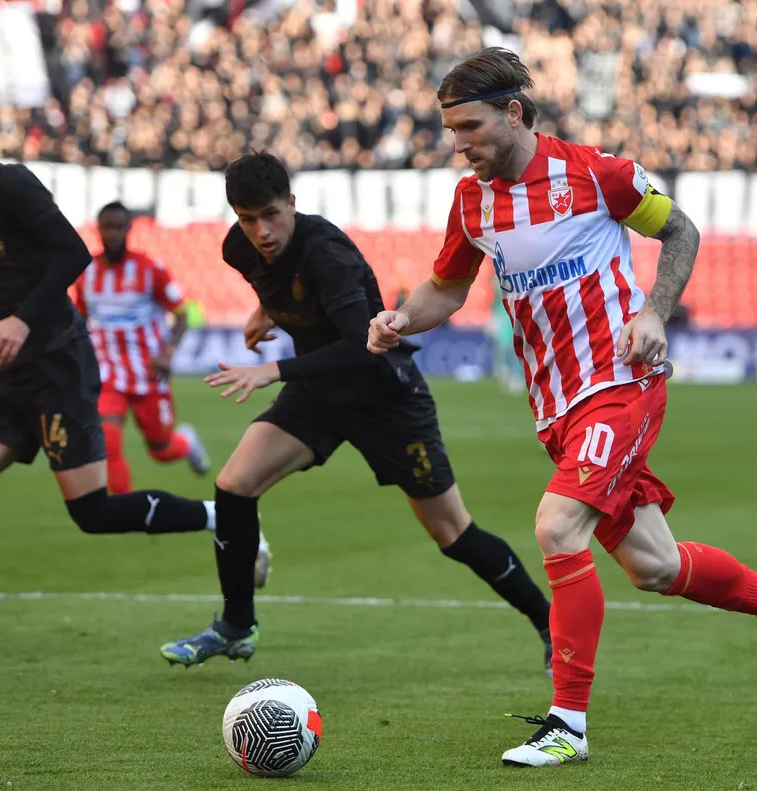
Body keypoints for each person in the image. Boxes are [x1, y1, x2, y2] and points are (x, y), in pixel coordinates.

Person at [368, 48, 757, 767]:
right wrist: (399, 318)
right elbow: (447, 291)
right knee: (656, 564)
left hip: (623, 383)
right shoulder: (473, 200)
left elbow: (682, 231)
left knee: (556, 526)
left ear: (514, 113)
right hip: (557, 409)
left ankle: (568, 724)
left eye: (470, 127)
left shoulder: (595, 172)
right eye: (452, 130)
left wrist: (656, 309)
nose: (459, 144)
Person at [0, 96, 250, 657]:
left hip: (59, 364)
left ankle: (225, 517)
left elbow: (74, 253)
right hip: (12, 380)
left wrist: (23, 320)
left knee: (93, 513)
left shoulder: (13, 187)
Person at [157, 152, 554, 673]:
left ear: (292, 204)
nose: (261, 230)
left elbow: (359, 346)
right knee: (233, 486)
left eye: (271, 214)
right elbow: (274, 284)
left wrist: (271, 371)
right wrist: (263, 312)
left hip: (383, 396)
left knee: (452, 532)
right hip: (318, 394)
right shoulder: (240, 248)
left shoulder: (328, 255)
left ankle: (550, 625)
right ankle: (236, 626)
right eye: (247, 219)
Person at [72, 201, 214, 492]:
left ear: (128, 229)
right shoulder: (86, 274)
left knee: (161, 450)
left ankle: (185, 443)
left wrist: (168, 353)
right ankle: (124, 508)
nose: (112, 234)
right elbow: (80, 320)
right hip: (108, 373)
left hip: (149, 371)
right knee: (108, 441)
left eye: (118, 227)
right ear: (98, 230)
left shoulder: (150, 269)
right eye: (106, 228)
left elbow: (182, 314)